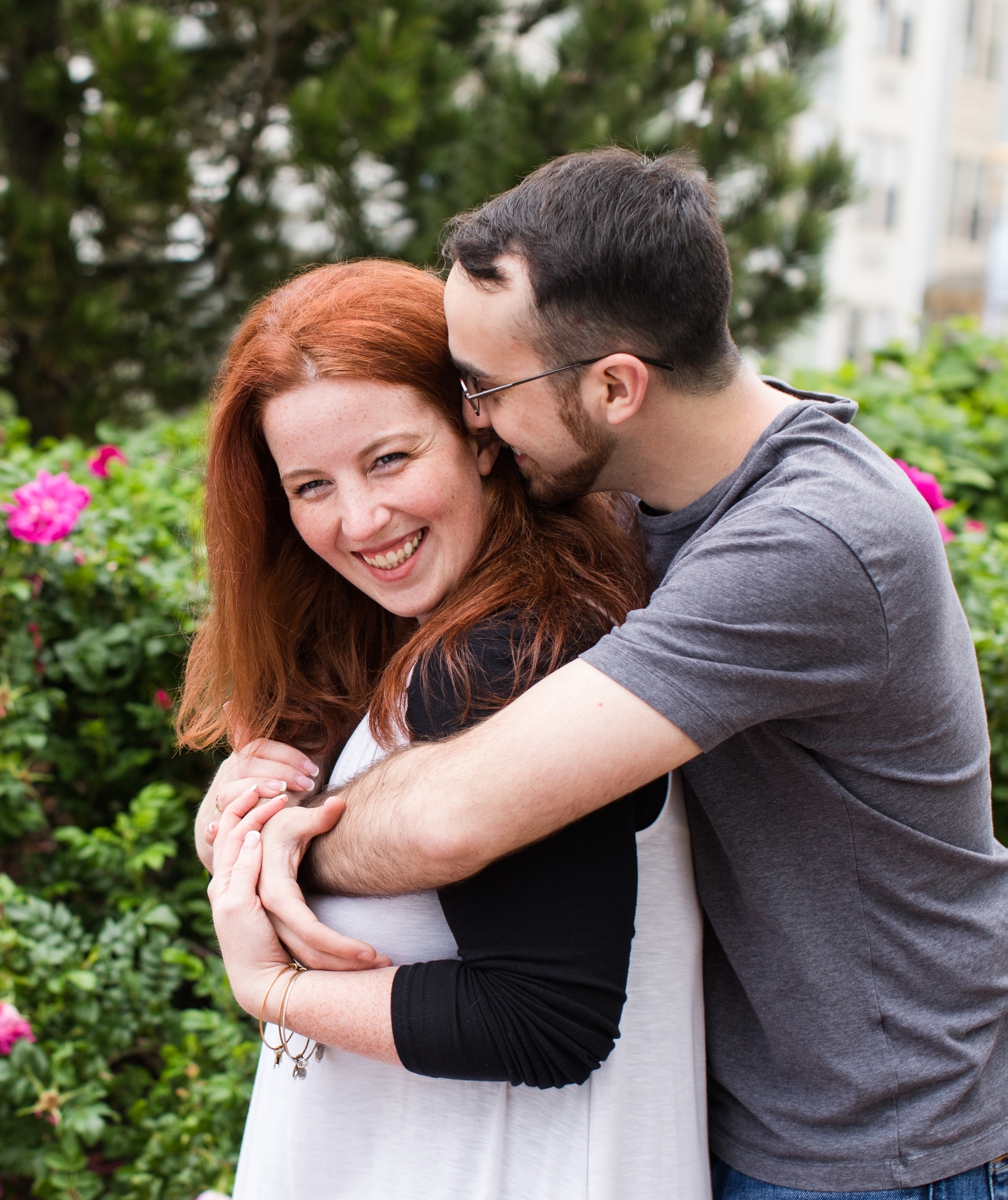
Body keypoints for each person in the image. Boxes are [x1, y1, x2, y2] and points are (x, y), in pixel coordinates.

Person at [225, 150, 1008, 1197]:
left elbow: (455, 815)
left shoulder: (807, 544)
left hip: (880, 1147)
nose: (476, 423)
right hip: (753, 1114)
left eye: (484, 389)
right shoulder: (640, 489)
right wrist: (256, 778)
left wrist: (270, 865)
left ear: (615, 386)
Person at [179, 258, 710, 1198]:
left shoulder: (502, 657)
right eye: (310, 486)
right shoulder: (437, 635)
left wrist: (276, 992)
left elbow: (547, 1021)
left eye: (389, 458)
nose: (360, 518)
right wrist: (249, 828)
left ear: (481, 431)